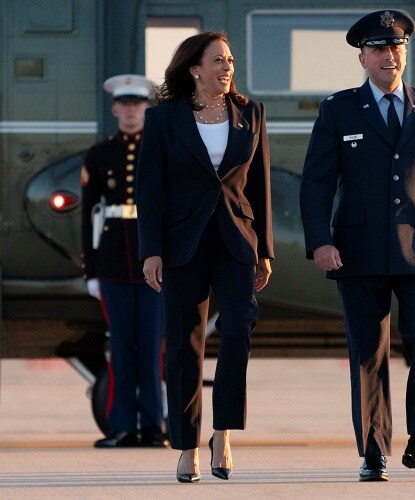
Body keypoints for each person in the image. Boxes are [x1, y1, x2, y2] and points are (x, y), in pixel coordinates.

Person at [300, 10, 415, 482]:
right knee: (368, 353)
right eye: (379, 49)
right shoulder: (337, 109)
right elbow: (316, 182)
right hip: (356, 252)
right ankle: (373, 450)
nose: (389, 56)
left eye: (396, 47)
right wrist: (319, 241)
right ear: (363, 57)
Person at [136, 32, 274, 483]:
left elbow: (260, 187)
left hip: (236, 241)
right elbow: (150, 190)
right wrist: (150, 251)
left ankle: (223, 434)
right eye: (218, 60)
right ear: (195, 68)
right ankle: (185, 446)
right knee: (183, 345)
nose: (227, 66)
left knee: (238, 330)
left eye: (230, 59)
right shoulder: (163, 120)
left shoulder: (251, 113)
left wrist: (265, 251)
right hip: (182, 245)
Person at [81, 74, 167, 448]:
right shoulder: (100, 155)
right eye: (125, 105)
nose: (131, 112)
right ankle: (121, 426)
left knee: (152, 349)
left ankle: (152, 426)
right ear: (115, 109)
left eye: (138, 105)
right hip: (114, 264)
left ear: (147, 109)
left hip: (155, 264)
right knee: (120, 350)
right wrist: (91, 270)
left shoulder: (163, 149)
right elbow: (89, 215)